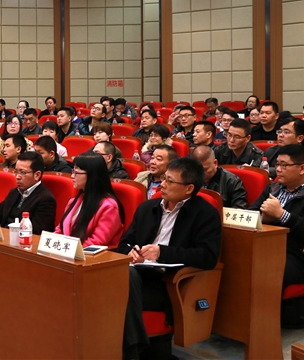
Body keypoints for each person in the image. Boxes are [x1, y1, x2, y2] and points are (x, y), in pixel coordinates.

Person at [118, 157, 222, 359]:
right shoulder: (147, 207)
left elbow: (207, 256)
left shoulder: (205, 214)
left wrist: (161, 252)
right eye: (164, 178)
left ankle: (130, 353)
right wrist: (130, 252)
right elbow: (124, 243)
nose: (162, 184)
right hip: (136, 273)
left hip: (168, 282)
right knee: (107, 282)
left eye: (170, 181)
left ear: (189, 188)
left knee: (122, 283)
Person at [249, 144, 304, 329]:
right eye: (277, 164)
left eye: (284, 165)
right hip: (264, 247)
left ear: (302, 168)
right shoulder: (273, 188)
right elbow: (250, 214)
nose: (278, 169)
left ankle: (262, 327)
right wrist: (263, 218)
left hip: (297, 256)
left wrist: (282, 215)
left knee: (263, 269)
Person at [55, 152, 124, 246]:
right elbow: (60, 230)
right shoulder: (73, 201)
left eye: (76, 172)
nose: (72, 176)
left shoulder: (109, 206)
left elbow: (97, 241)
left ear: (92, 175)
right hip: (68, 250)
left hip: (91, 254)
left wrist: (69, 249)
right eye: (73, 171)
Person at [0, 151, 56, 233]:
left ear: (37, 175)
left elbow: (35, 232)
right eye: (16, 172)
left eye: (23, 172)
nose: (17, 177)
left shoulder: (46, 199)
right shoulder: (14, 192)